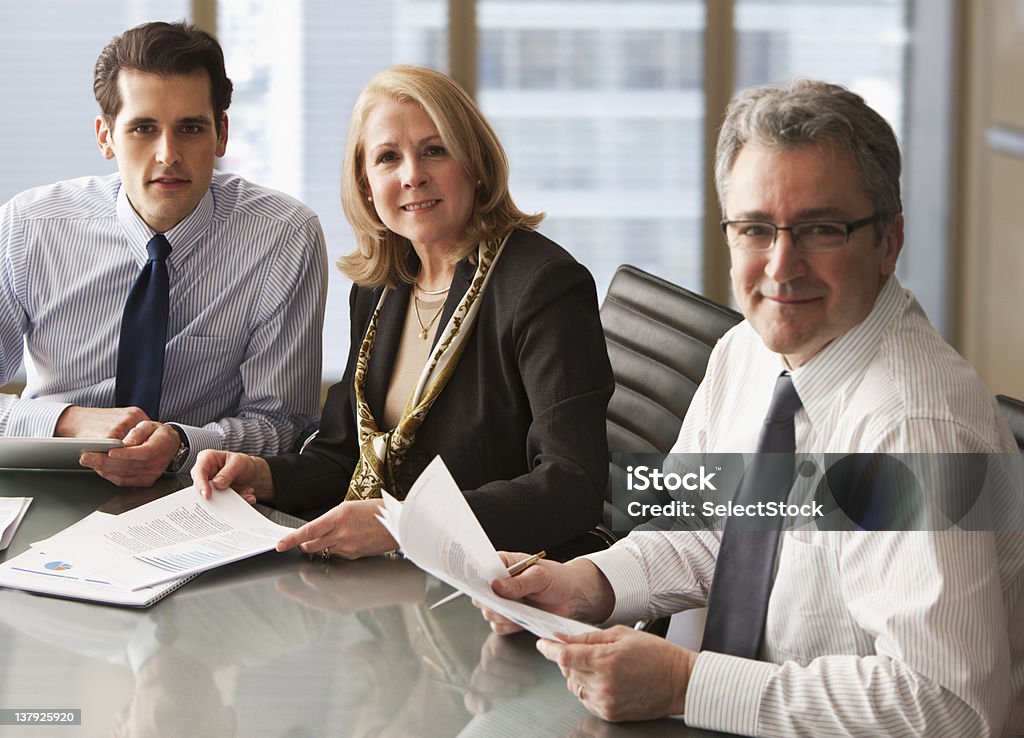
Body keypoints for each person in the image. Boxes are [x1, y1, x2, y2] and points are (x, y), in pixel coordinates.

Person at [477, 80, 1024, 737]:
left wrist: (688, 684)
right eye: (756, 229)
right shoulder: (747, 352)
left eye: (822, 229)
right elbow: (703, 526)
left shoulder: (914, 429)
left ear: (888, 242)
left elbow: (950, 708)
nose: (781, 266)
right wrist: (588, 584)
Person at [192, 65, 613, 559]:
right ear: (367, 184)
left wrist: (405, 524)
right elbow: (345, 454)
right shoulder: (382, 287)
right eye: (388, 158)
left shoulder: (542, 286)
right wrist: (264, 474)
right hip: (390, 576)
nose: (413, 175)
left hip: (494, 576)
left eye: (435, 150)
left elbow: (572, 486)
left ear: (475, 164)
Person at [0, 21, 327, 488]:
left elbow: (285, 428)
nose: (167, 154)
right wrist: (68, 421)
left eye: (190, 128)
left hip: (200, 496)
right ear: (105, 136)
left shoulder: (283, 236)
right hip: (45, 486)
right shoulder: (28, 228)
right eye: (143, 128)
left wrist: (179, 443)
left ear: (221, 135)